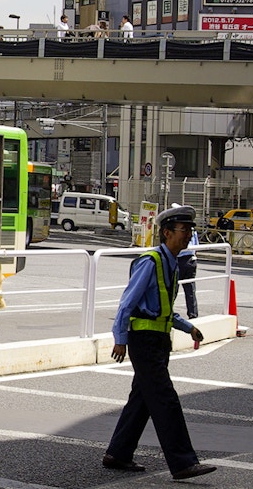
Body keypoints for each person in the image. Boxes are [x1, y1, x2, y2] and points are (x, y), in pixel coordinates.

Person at [103, 205, 215, 481]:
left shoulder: (172, 262)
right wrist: (120, 339)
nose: (189, 235)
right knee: (165, 399)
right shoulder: (150, 261)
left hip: (159, 339)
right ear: (167, 233)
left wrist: (189, 327)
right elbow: (127, 302)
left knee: (142, 399)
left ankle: (118, 453)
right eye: (184, 230)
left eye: (191, 230)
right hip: (144, 341)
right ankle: (183, 462)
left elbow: (163, 308)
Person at [173, 204, 199, 319]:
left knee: (173, 288)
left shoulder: (177, 228)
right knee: (190, 289)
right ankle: (193, 314)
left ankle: (166, 312)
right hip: (191, 259)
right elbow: (197, 246)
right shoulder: (192, 229)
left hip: (180, 259)